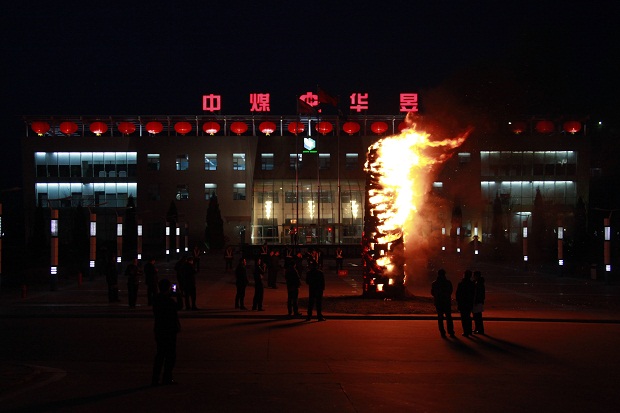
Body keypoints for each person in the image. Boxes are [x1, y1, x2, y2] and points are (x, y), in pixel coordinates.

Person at [151, 278, 181, 386]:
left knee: (160, 354)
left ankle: (155, 378)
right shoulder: (169, 301)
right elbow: (179, 307)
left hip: (159, 329)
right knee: (170, 355)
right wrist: (178, 295)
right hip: (169, 330)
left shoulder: (156, 299)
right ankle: (167, 377)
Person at [431, 269, 455, 338]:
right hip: (446, 302)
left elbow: (432, 293)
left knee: (440, 318)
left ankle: (442, 332)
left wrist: (437, 296)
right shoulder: (448, 282)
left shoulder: (434, 283)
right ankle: (451, 332)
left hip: (438, 302)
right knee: (449, 317)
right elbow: (450, 291)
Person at [456, 269, 475, 337]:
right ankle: (469, 330)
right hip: (469, 303)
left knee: (464, 318)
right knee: (468, 317)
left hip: (462, 303)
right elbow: (473, 294)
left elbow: (458, 294)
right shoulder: (472, 284)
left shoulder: (461, 284)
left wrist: (458, 302)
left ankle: (466, 331)